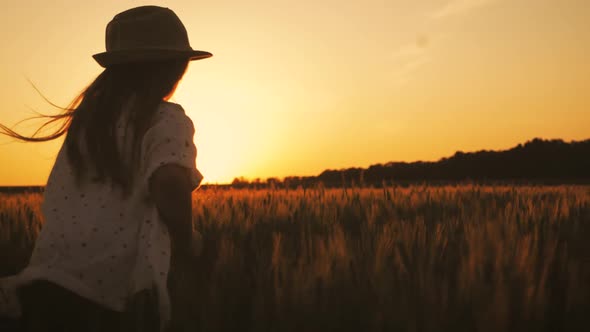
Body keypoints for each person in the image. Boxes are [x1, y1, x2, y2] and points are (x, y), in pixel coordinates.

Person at [0, 5, 212, 332]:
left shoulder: (86, 128)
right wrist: (187, 243)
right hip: (113, 299)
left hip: (44, 284)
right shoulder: (166, 119)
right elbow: (169, 183)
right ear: (176, 69)